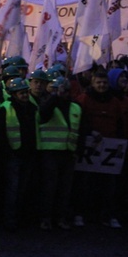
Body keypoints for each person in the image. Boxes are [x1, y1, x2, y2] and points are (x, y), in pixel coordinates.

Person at [74, 68, 125, 228]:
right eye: (98, 82)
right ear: (93, 83)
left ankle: (107, 216)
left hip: (110, 147)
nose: (102, 85)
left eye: (104, 82)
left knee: (109, 185)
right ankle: (80, 214)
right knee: (85, 184)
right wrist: (90, 132)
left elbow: (120, 122)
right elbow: (80, 120)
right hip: (90, 146)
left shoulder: (114, 101)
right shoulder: (84, 99)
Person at [36, 77, 82, 231]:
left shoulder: (76, 108)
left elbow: (81, 130)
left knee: (65, 189)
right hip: (51, 151)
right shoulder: (49, 104)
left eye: (66, 90)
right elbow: (43, 113)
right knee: (49, 187)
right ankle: (45, 218)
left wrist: (78, 151)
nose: (64, 93)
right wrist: (55, 97)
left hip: (69, 153)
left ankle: (60, 218)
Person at [0, 77, 38, 231]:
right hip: (13, 155)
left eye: (26, 92)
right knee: (12, 189)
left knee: (23, 188)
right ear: (13, 93)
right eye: (21, 93)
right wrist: (7, 152)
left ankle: (20, 217)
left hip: (28, 154)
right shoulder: (4, 108)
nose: (25, 95)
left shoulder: (32, 108)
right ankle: (9, 219)